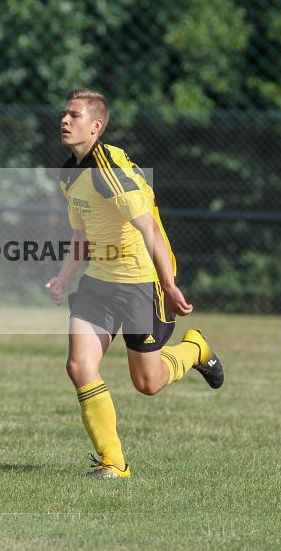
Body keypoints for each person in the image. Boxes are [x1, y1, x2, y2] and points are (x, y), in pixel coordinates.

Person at [44, 88, 224, 478]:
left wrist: (169, 284)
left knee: (148, 382)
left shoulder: (109, 170)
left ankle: (194, 350)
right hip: (99, 283)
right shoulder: (69, 175)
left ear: (96, 126)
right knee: (79, 366)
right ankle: (114, 463)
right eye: (64, 114)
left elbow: (150, 230)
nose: (64, 121)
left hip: (143, 282)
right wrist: (62, 278)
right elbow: (82, 235)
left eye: (74, 116)